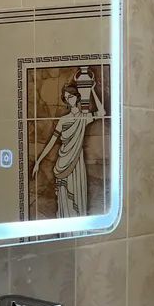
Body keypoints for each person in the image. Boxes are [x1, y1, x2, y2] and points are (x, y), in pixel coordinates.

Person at [30, 77, 106, 218]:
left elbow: (102, 112)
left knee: (76, 195)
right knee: (64, 197)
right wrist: (38, 161)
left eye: (70, 96)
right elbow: (51, 142)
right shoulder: (63, 120)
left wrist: (92, 90)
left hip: (77, 162)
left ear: (76, 97)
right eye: (66, 98)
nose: (69, 100)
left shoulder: (83, 118)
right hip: (63, 162)